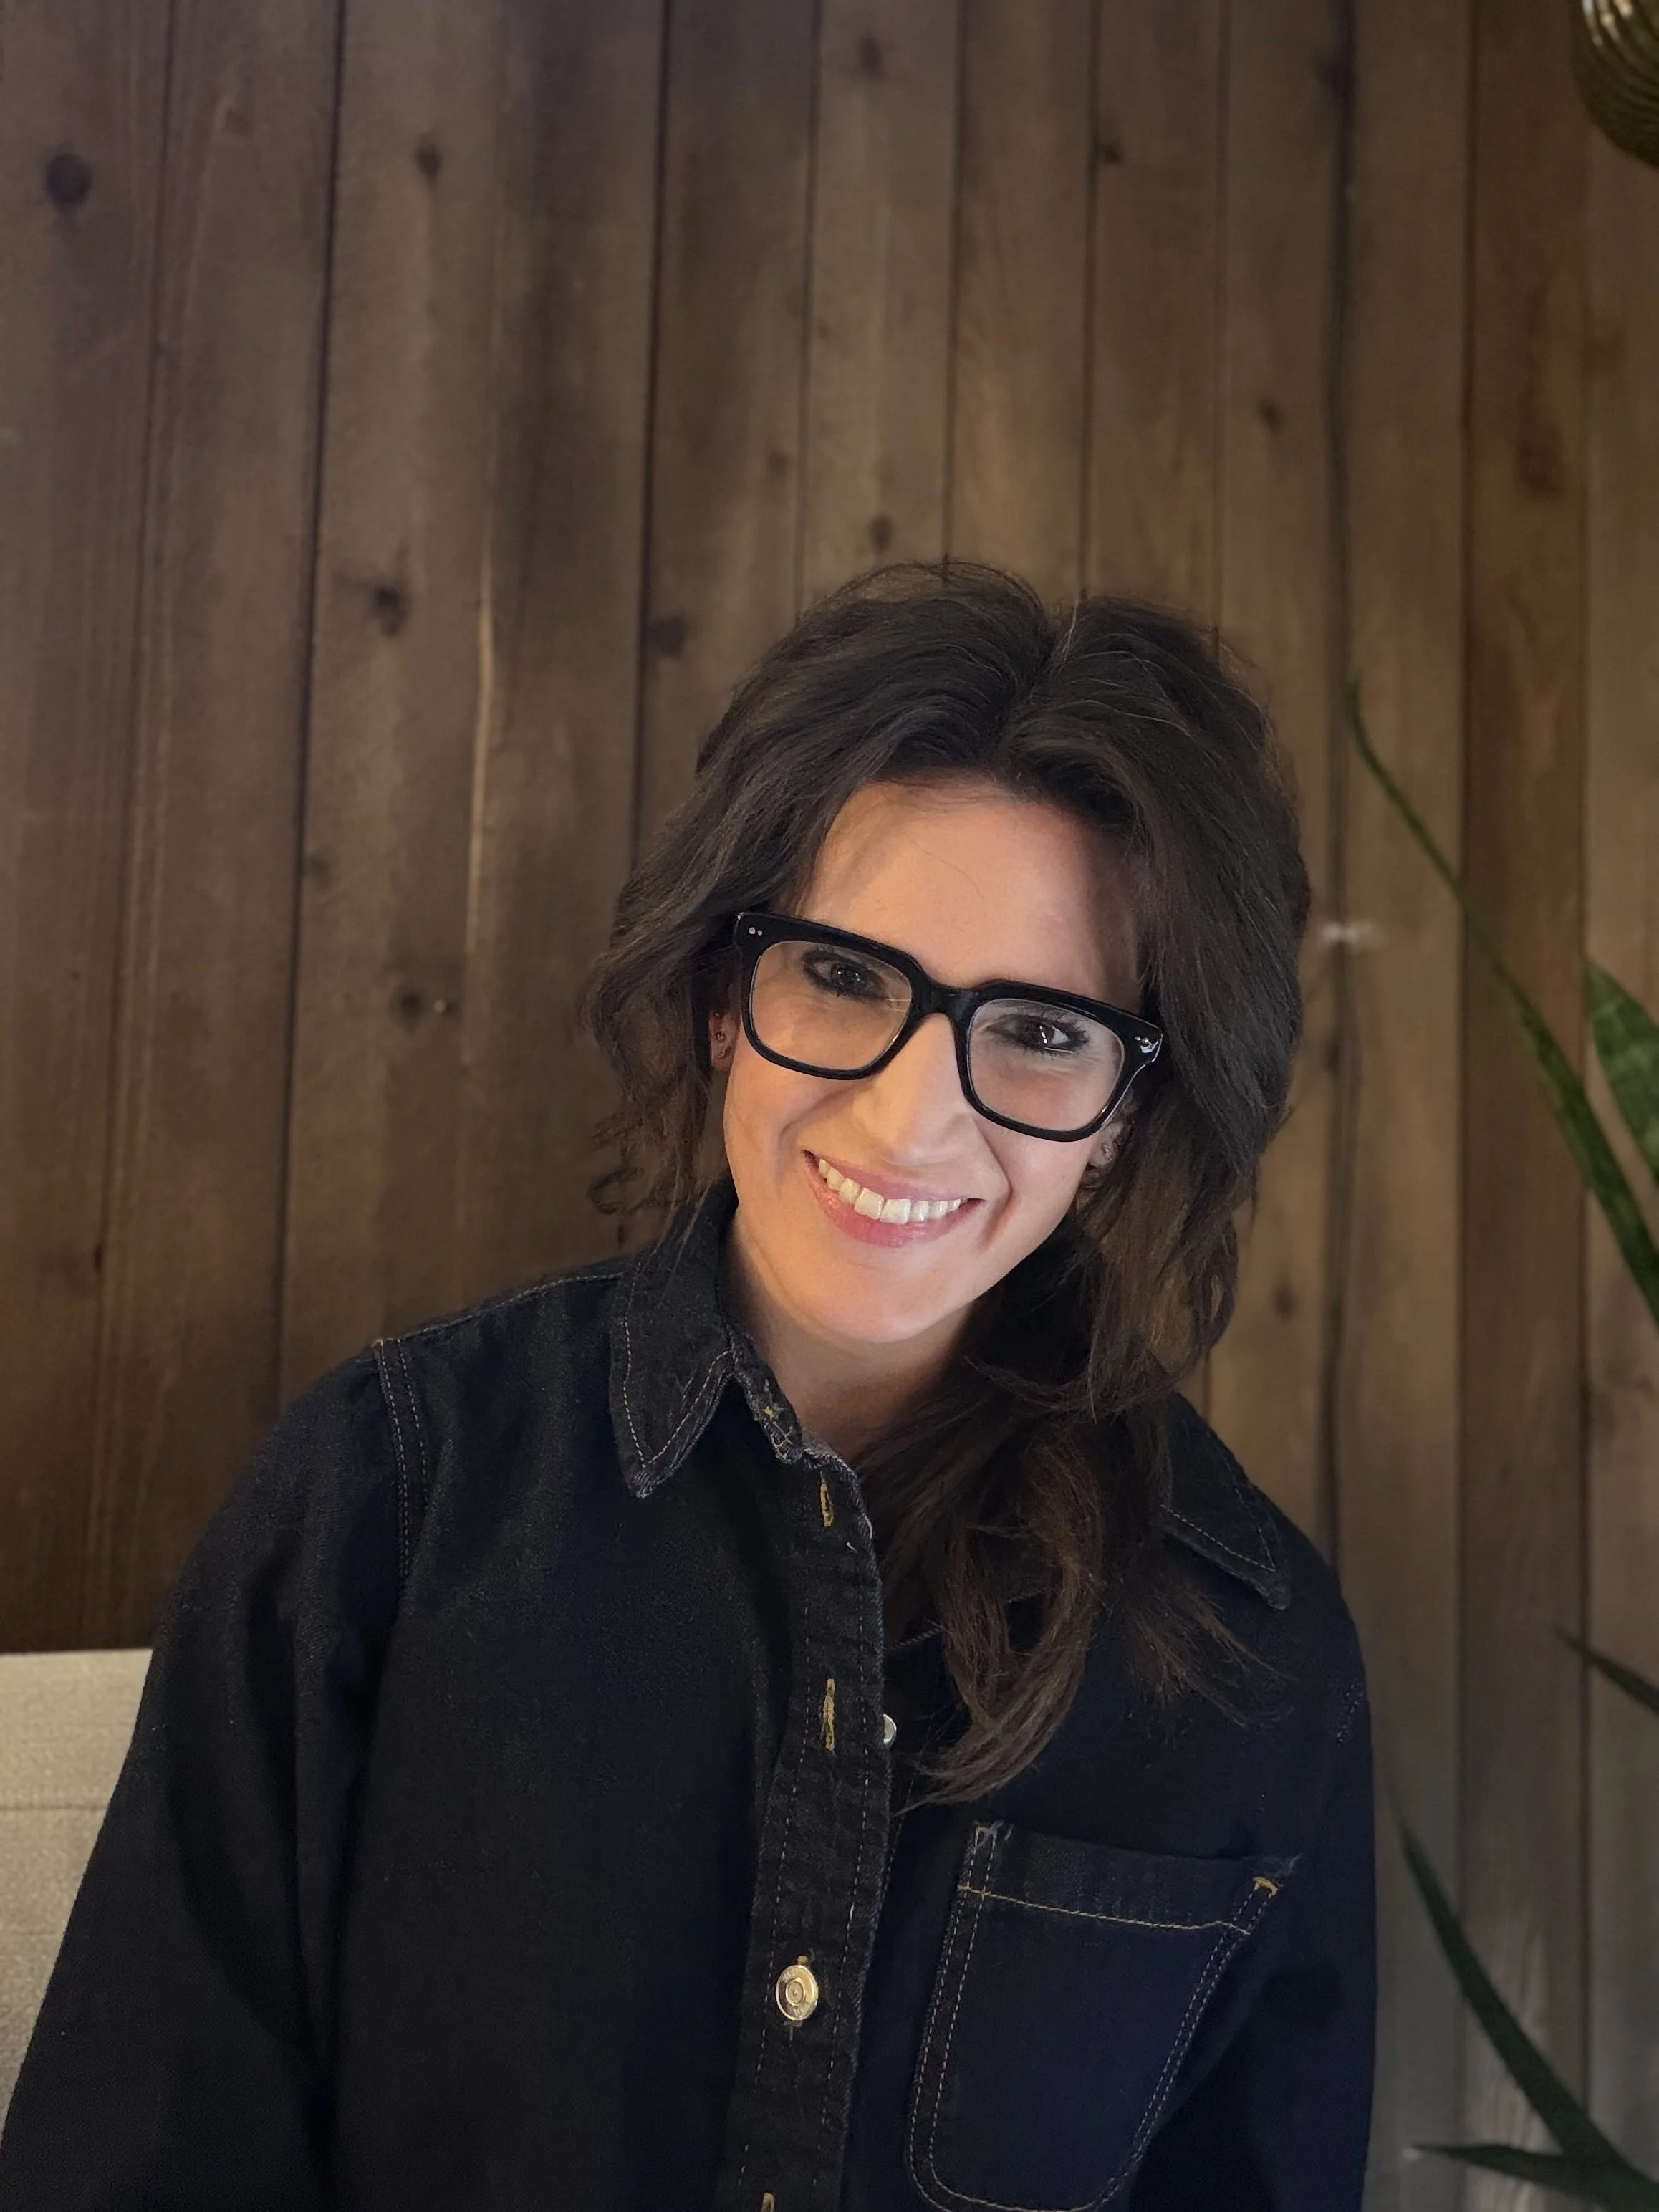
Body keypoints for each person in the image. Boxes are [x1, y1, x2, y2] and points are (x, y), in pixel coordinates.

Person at [0, 562, 1375, 2210]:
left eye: (1041, 1030)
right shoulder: (388, 1499)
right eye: (847, 979)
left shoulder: (1253, 1652)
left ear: (1128, 1114)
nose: (910, 1120)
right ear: (727, 996)